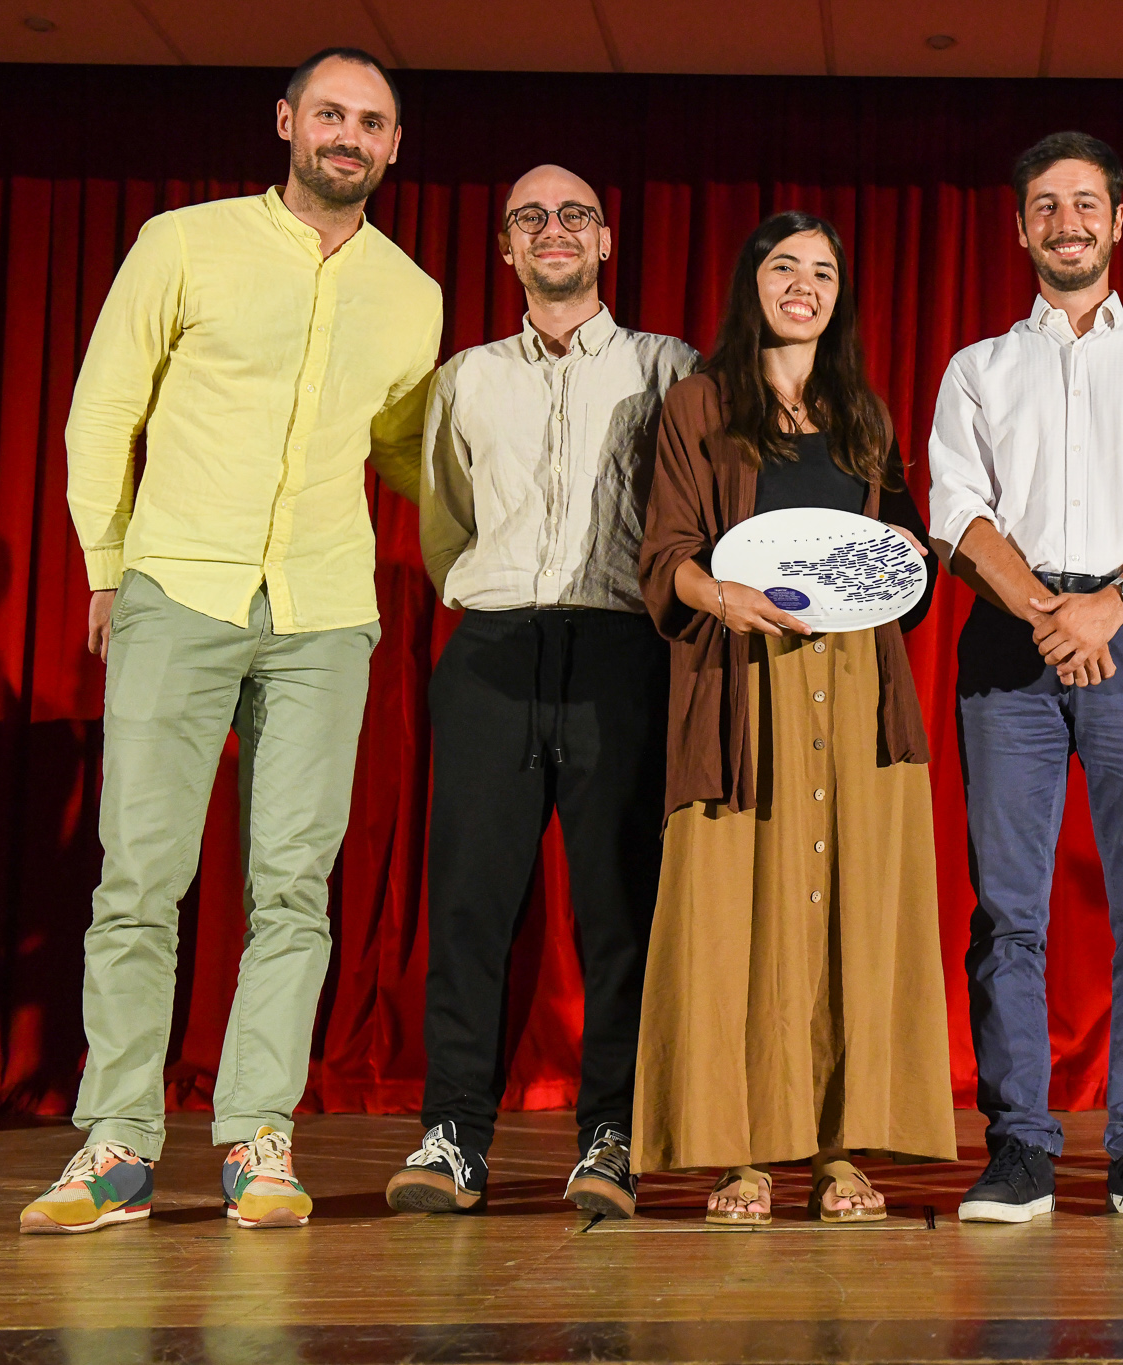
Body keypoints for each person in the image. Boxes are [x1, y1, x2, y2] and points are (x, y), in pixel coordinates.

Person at [27, 48, 440, 1234]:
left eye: (371, 121)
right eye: (330, 114)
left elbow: (400, 450)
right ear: (285, 122)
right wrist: (109, 567)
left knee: (292, 890)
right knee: (138, 881)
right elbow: (104, 408)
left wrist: (488, 532)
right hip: (180, 589)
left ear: (393, 146)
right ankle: (117, 1145)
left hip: (325, 612)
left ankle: (260, 1137)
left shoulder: (411, 293)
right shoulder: (182, 243)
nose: (348, 135)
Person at [926, 131, 1123, 1225]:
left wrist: (1110, 605)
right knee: (1008, 911)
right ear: (1020, 228)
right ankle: (1019, 1147)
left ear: (1117, 221)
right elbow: (957, 512)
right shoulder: (977, 368)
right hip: (1011, 639)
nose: (1067, 222)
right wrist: (1049, 615)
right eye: (1046, 205)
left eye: (1085, 203)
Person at [381, 165, 696, 1219]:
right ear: (506, 248)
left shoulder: (668, 366)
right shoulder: (465, 377)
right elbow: (445, 519)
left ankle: (612, 1133)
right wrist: (494, 599)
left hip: (620, 652)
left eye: (574, 216)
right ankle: (454, 1136)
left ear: (604, 241)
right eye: (530, 218)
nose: (553, 230)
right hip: (495, 651)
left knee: (621, 910)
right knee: (471, 907)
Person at [633, 210, 954, 1224]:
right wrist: (718, 595)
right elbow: (664, 551)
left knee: (847, 918)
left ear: (838, 297)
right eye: (784, 267)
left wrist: (909, 561)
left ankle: (836, 1152)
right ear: (752, 284)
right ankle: (738, 1156)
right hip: (741, 681)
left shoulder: (862, 414)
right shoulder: (698, 403)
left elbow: (900, 549)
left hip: (856, 685)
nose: (803, 286)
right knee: (733, 920)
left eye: (822, 271)